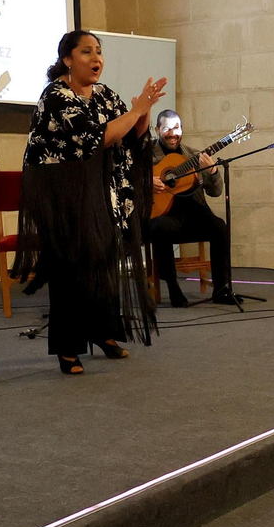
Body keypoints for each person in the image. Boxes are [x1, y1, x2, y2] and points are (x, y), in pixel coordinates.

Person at [12, 30, 166, 375]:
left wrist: (143, 113)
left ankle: (103, 332)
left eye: (99, 51)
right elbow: (95, 137)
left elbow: (129, 137)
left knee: (103, 258)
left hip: (97, 188)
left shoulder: (105, 95)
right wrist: (136, 110)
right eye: (86, 52)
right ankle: (68, 348)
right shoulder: (56, 96)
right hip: (61, 191)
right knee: (71, 267)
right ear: (67, 59)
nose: (96, 58)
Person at [147, 110, 238, 307]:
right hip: (163, 216)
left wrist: (212, 171)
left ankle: (221, 289)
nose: (173, 134)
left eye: (177, 128)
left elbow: (215, 192)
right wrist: (147, 182)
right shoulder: (145, 156)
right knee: (160, 228)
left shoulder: (194, 156)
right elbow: (126, 179)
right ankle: (173, 288)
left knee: (219, 226)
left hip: (194, 214)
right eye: (167, 128)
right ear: (157, 129)